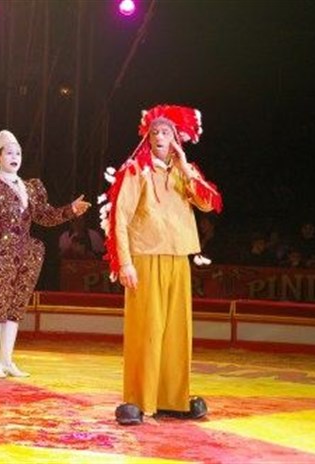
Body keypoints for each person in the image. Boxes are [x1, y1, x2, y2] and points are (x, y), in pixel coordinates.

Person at [98, 104, 223, 426]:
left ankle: (173, 398)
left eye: (166, 132)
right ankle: (140, 400)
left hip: (178, 257)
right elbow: (120, 218)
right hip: (145, 257)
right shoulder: (135, 170)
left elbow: (207, 203)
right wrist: (125, 263)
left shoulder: (184, 171)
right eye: (154, 131)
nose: (159, 136)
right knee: (147, 331)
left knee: (176, 331)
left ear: (176, 138)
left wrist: (185, 166)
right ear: (147, 137)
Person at [0, 130, 91, 379]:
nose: (14, 157)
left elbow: (45, 216)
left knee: (15, 307)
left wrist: (71, 210)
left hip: (25, 252)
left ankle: (7, 360)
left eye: (18, 153)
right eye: (9, 153)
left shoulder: (30, 187)